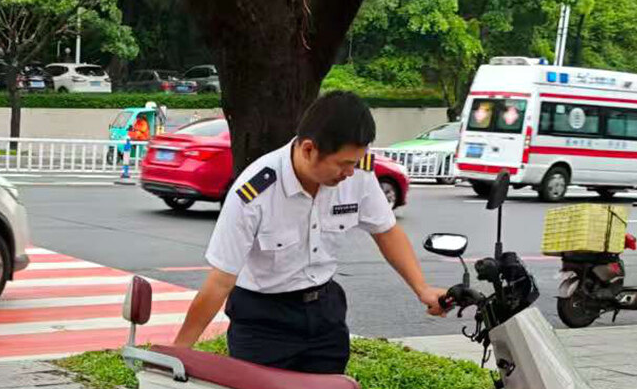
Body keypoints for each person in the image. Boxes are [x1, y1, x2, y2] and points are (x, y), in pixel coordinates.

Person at [173, 90, 448, 372]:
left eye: (355, 163)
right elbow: (220, 281)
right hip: (263, 321)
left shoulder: (357, 175)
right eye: (343, 164)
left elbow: (386, 230)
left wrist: (422, 289)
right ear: (308, 149)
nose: (350, 173)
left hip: (325, 315)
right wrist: (179, 353)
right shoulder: (255, 193)